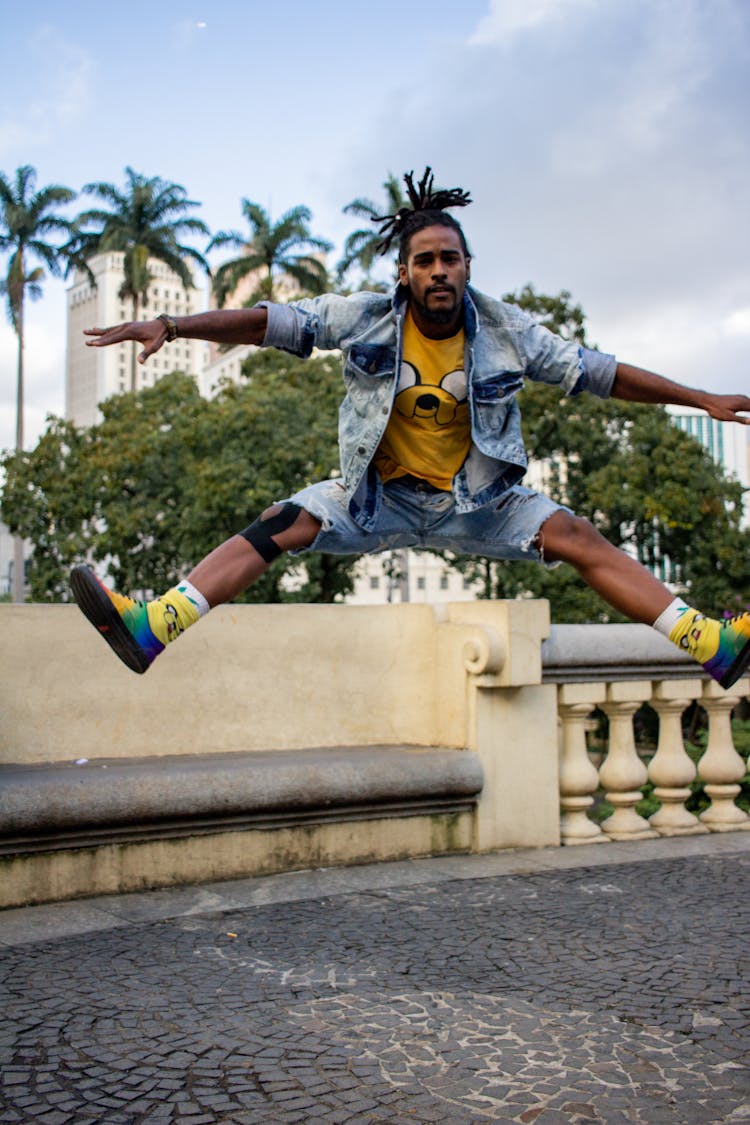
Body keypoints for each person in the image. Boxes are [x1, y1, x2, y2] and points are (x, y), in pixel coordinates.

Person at [71, 168, 750, 690]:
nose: (438, 271)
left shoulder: (510, 331)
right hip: (378, 496)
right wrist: (174, 324)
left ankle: (710, 643)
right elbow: (269, 322)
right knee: (283, 520)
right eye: (424, 261)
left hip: (477, 501)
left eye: (449, 259)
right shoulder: (363, 315)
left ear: (466, 267)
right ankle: (155, 626)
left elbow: (598, 372)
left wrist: (700, 398)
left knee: (575, 535)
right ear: (404, 273)